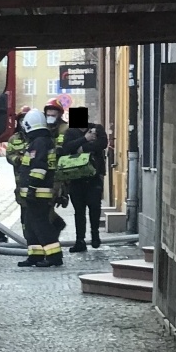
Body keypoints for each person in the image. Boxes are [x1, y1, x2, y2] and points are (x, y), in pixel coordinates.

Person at [14, 108, 62, 267]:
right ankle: (36, 255)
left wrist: (33, 188)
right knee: (30, 225)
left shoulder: (40, 142)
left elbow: (39, 167)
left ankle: (54, 256)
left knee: (42, 225)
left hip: (38, 192)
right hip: (35, 192)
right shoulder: (41, 141)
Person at [63, 107, 109, 252]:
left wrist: (82, 148)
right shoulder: (70, 132)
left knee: (95, 207)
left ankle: (95, 236)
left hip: (94, 176)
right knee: (79, 211)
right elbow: (66, 149)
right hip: (76, 177)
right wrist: (85, 139)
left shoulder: (97, 129)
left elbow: (102, 144)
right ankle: (80, 240)